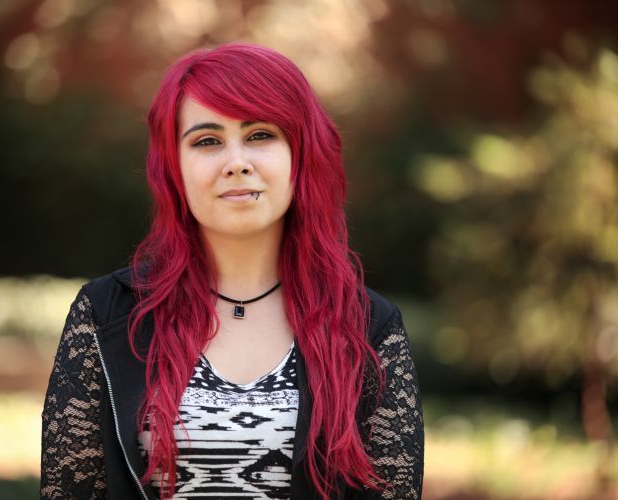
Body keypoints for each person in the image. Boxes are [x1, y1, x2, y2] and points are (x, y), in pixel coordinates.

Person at [41, 42, 424, 500]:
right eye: (207, 141)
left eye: (260, 134)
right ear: (173, 169)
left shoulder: (367, 329)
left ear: (299, 157)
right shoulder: (106, 317)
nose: (236, 162)